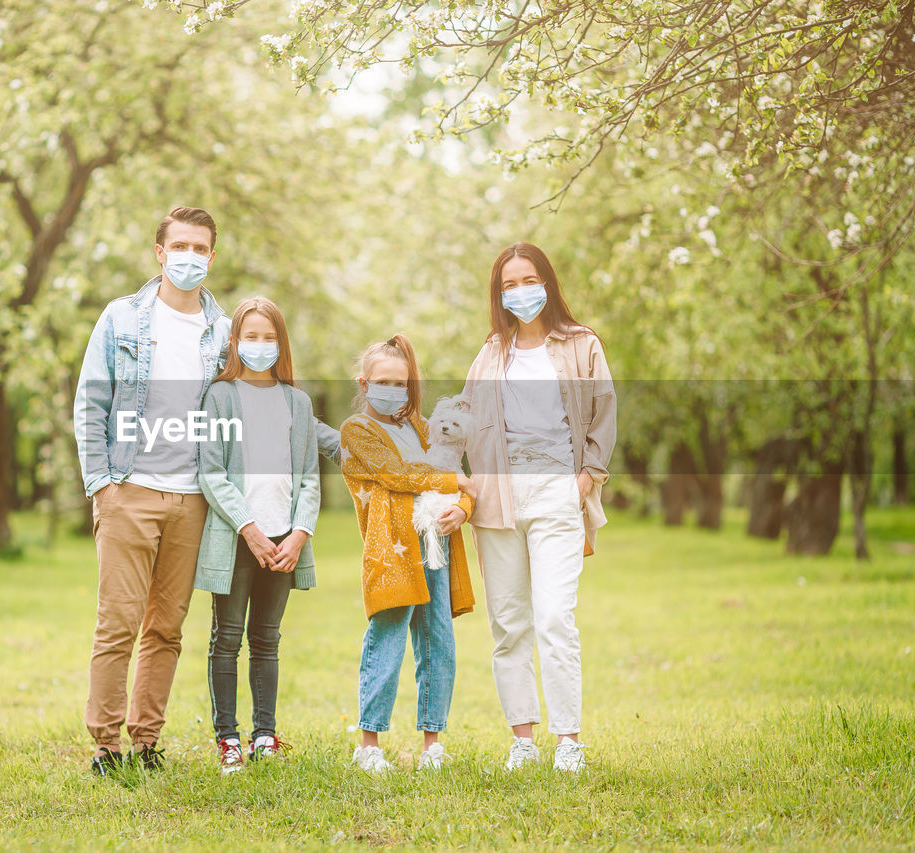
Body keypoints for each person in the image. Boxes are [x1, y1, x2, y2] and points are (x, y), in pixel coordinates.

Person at [73, 206, 232, 776]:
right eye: (180, 246)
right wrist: (102, 484)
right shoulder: (122, 319)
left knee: (166, 628)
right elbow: (90, 402)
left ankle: (145, 742)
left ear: (212, 257)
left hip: (192, 500)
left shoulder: (224, 331)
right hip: (129, 490)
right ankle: (106, 746)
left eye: (201, 248)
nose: (190, 257)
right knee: (117, 623)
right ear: (160, 252)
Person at [461, 242, 616, 773]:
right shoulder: (491, 351)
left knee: (554, 617)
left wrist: (586, 477)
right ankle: (522, 739)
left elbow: (602, 413)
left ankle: (568, 740)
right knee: (508, 623)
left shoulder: (581, 345)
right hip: (498, 497)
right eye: (508, 284)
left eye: (528, 280)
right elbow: (465, 422)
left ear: (547, 283)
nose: (519, 291)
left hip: (557, 493)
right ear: (498, 294)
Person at [339, 333, 477, 773]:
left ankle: (432, 743)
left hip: (436, 543)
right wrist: (455, 485)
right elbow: (397, 474)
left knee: (438, 642)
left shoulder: (422, 427)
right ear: (364, 383)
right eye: (383, 382)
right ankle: (369, 744)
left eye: (401, 383)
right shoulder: (357, 431)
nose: (393, 391)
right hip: (392, 550)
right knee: (388, 639)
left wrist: (464, 506)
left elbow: (457, 469)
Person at [194, 296, 321, 774]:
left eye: (269, 337)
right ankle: (228, 739)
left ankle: (264, 734)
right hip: (238, 537)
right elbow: (212, 472)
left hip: (284, 540)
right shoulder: (220, 396)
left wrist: (299, 533)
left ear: (281, 343)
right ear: (235, 341)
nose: (260, 345)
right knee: (226, 637)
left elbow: (308, 476)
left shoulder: (298, 402)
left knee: (267, 638)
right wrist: (248, 529)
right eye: (251, 336)